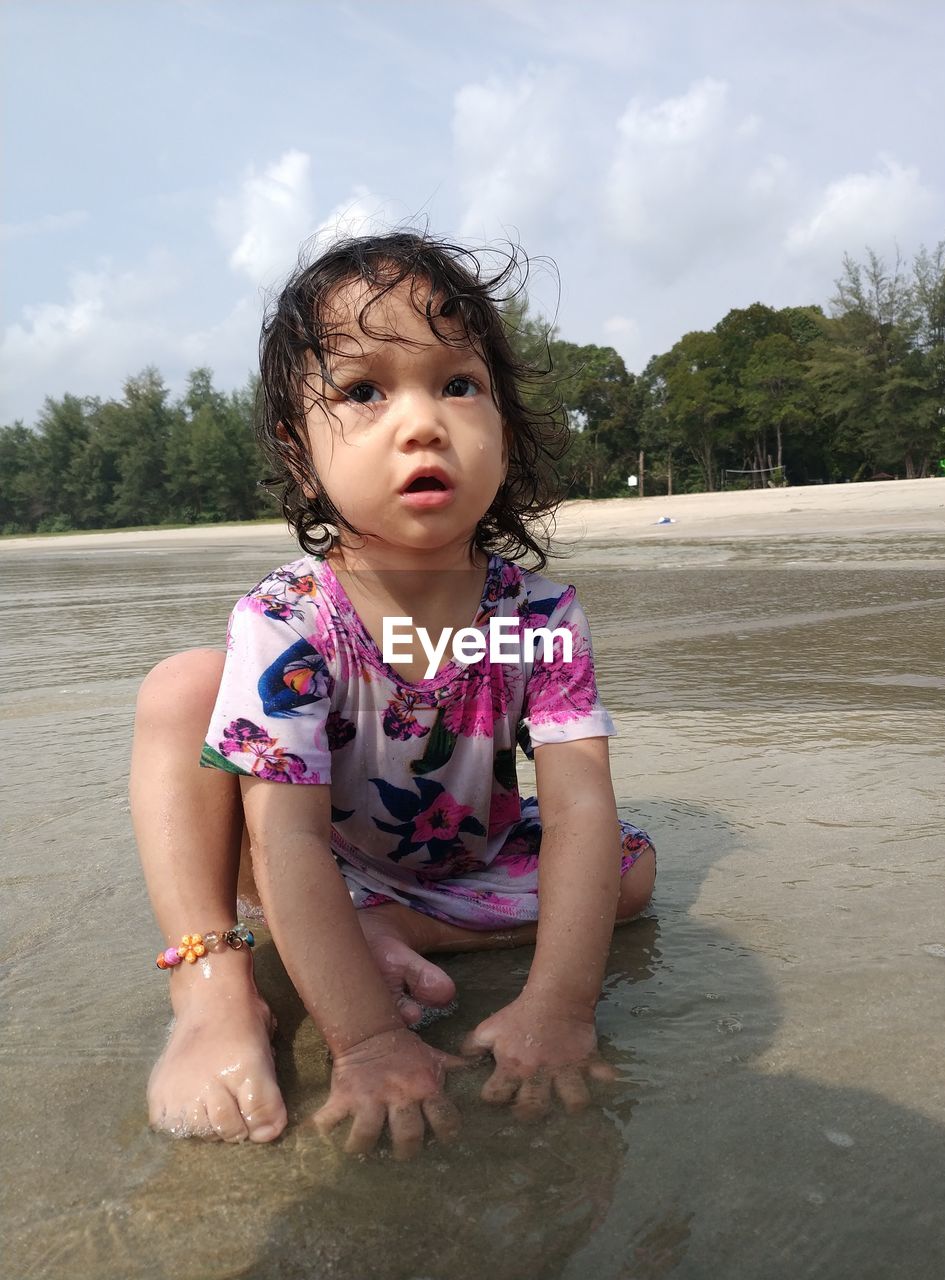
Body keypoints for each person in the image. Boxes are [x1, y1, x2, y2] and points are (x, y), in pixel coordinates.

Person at [131, 231, 656, 1160]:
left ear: (505, 428)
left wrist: (558, 1006)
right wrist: (367, 1041)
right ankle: (214, 989)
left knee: (631, 872)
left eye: (458, 384)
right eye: (364, 391)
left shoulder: (535, 615)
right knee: (187, 690)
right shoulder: (293, 620)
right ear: (300, 456)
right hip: (312, 856)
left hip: (464, 857)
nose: (422, 422)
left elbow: (577, 810)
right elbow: (284, 835)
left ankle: (387, 928)